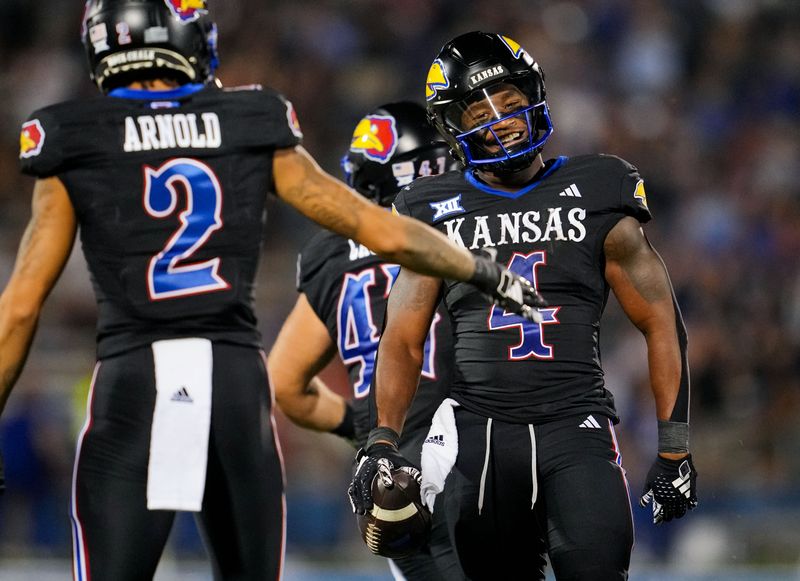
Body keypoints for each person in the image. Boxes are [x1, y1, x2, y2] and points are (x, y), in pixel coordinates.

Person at [0, 3, 544, 578]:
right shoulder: (250, 117)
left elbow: (21, 307)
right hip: (234, 381)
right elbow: (376, 227)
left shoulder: (71, 134)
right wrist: (481, 270)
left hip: (135, 375)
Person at [348, 31, 699, 580]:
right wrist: (382, 441)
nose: (501, 120)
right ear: (452, 129)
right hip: (480, 438)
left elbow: (661, 321)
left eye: (510, 104)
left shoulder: (599, 185)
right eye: (479, 112)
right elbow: (402, 337)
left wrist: (674, 447)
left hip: (575, 428)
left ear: (535, 97)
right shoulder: (430, 208)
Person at [268, 101, 465, 581]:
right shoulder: (465, 224)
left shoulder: (330, 252)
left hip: (391, 466)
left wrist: (361, 428)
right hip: (476, 446)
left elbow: (284, 383)